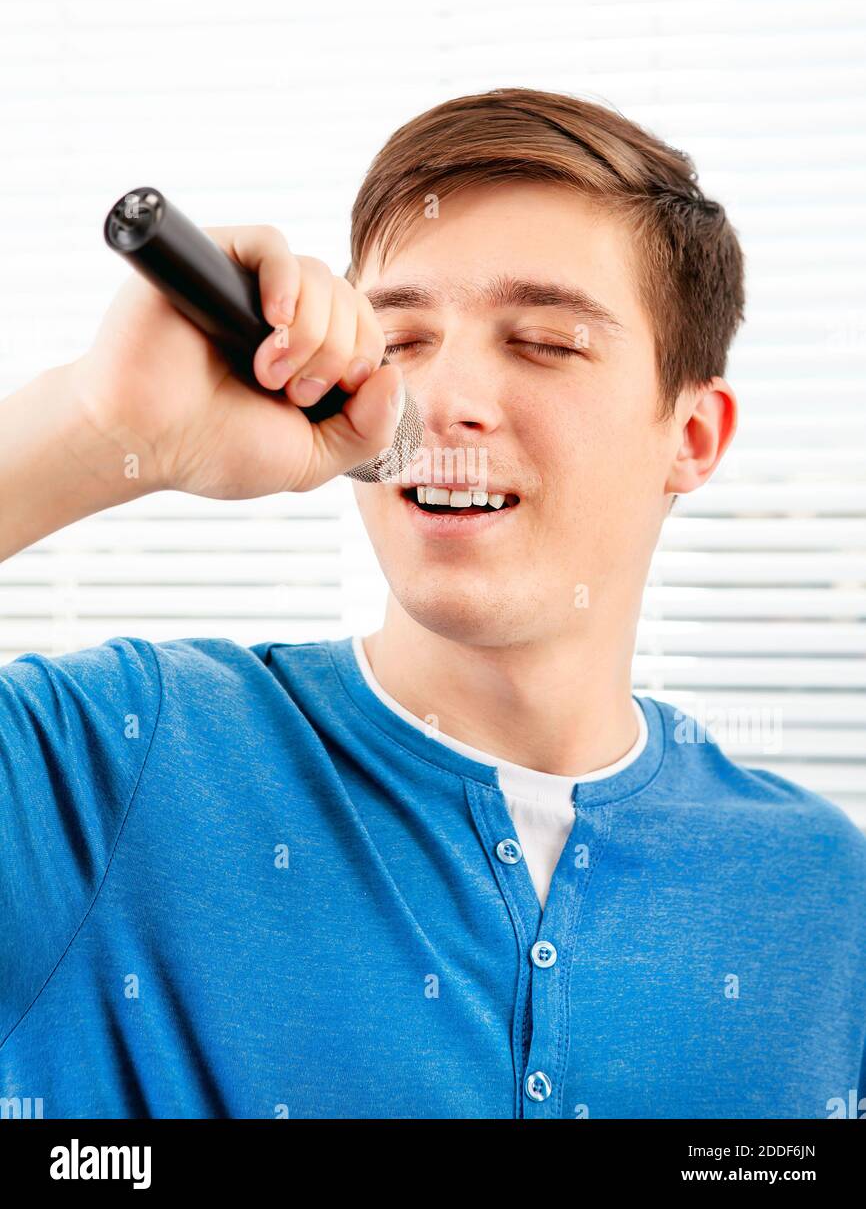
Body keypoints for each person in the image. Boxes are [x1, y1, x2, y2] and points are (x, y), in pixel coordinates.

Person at [1, 88, 864, 1120]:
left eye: (543, 340)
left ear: (690, 437)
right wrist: (100, 430)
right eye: (399, 341)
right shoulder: (105, 761)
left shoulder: (824, 895)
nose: (443, 400)